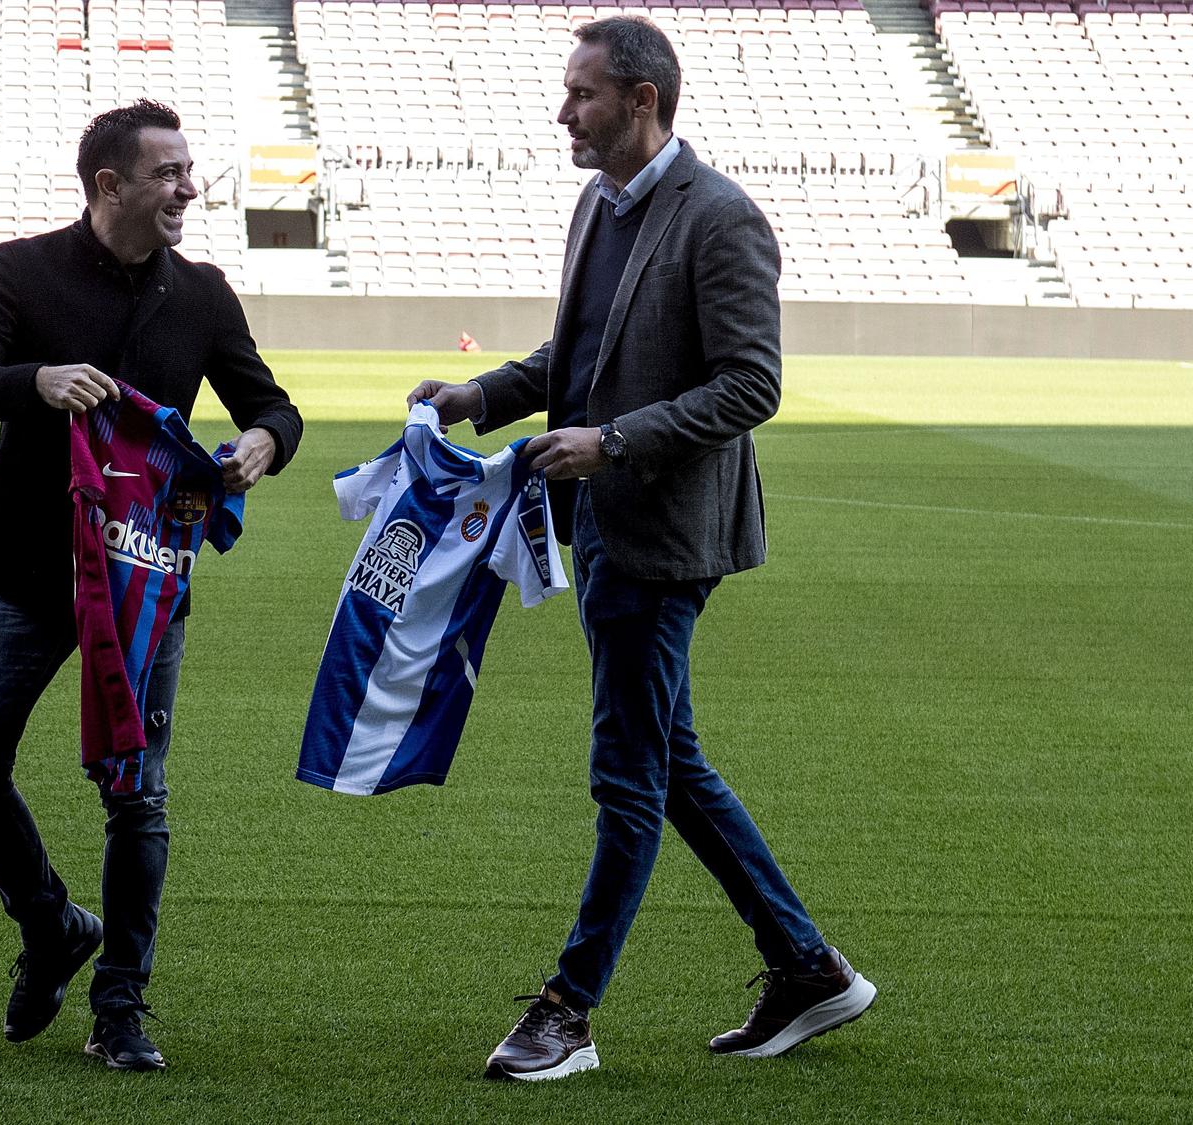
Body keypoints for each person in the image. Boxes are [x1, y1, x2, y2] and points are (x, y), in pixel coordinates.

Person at [407, 17, 875, 1081]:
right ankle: (806, 967)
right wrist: (481, 393)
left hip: (661, 537)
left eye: (578, 94)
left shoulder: (718, 220)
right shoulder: (598, 206)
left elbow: (749, 386)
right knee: (668, 761)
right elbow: (575, 359)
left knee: (624, 774)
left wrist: (610, 442)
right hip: (605, 527)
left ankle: (565, 1013)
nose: (561, 111)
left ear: (641, 100)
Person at [0, 100, 302, 1072]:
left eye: (188, 169)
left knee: (137, 797)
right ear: (109, 185)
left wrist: (263, 441)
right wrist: (35, 381)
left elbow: (270, 405)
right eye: (170, 172)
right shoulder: (21, 270)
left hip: (143, 582)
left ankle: (119, 1007)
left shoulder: (205, 295)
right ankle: (51, 925)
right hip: (23, 571)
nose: (189, 187)